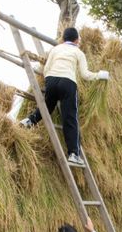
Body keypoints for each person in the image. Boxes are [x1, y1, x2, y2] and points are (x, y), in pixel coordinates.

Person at [20, 27, 109, 166]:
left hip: (51, 80)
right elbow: (85, 74)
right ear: (77, 40)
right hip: (68, 83)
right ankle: (74, 154)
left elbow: (47, 68)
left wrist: (50, 80)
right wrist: (99, 75)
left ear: (63, 39)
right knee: (70, 118)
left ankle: (29, 121)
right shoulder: (78, 52)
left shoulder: (56, 49)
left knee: (47, 106)